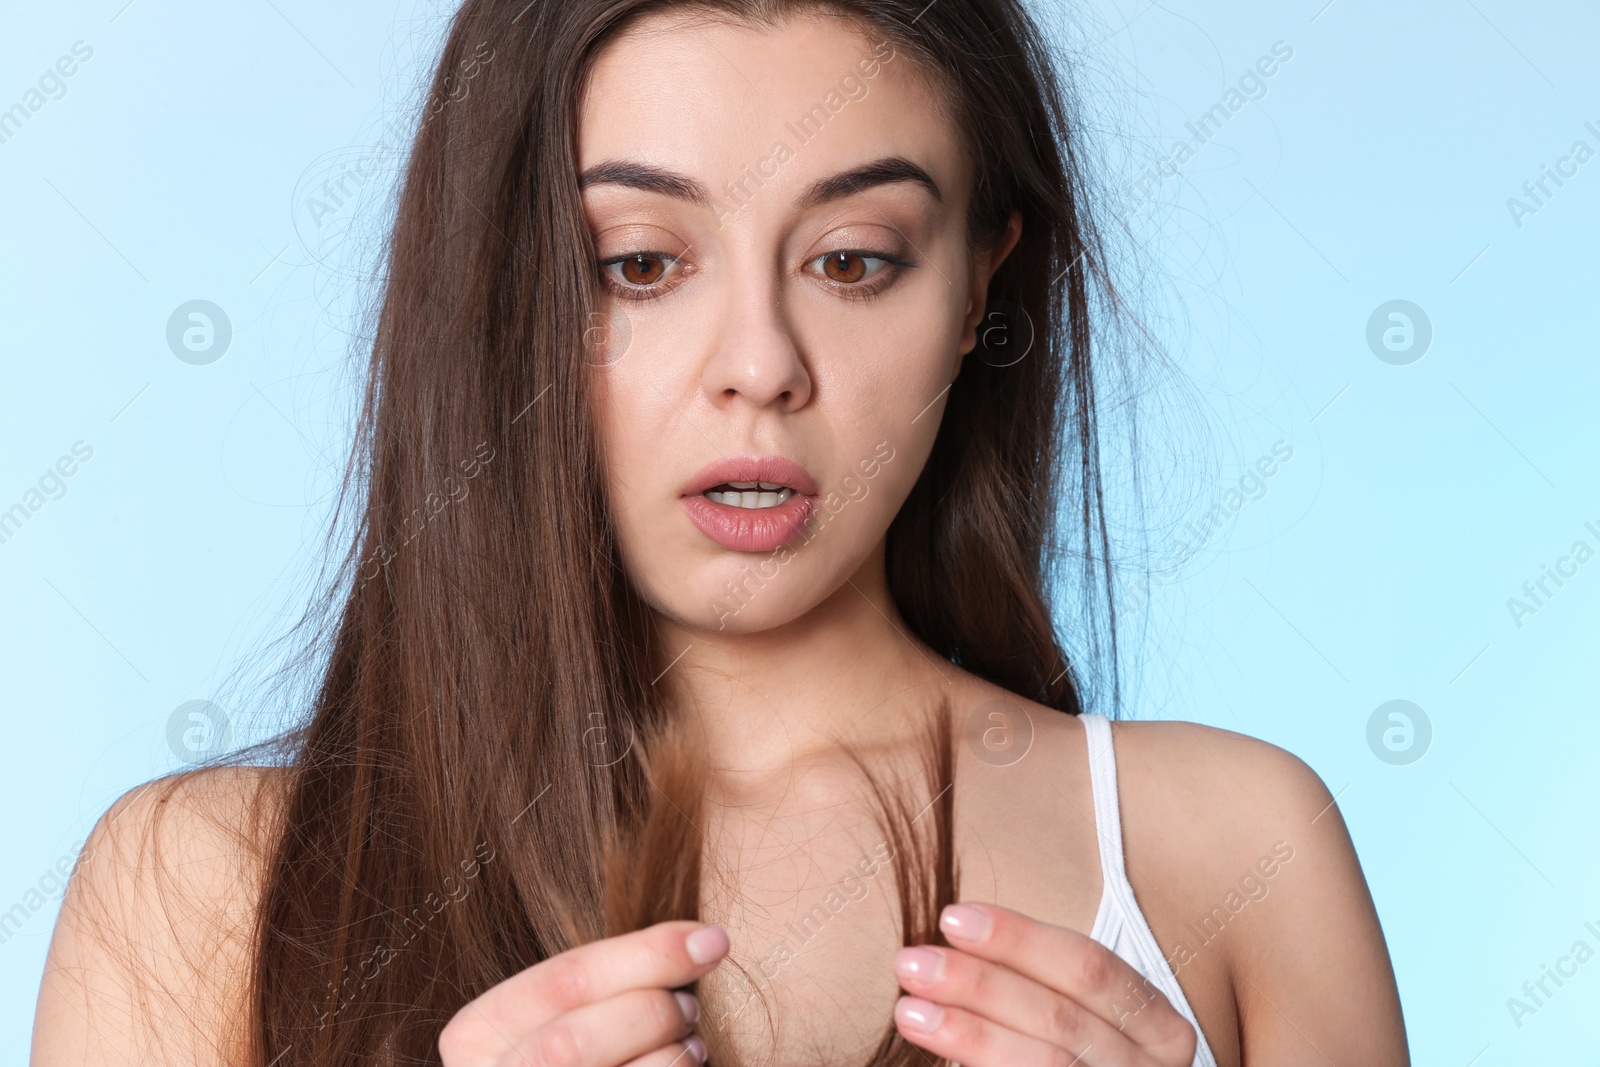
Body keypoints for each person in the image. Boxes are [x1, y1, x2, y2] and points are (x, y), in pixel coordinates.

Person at [30, 1, 1409, 1065]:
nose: (759, 363)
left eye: (854, 260)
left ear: (984, 280)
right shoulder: (201, 891)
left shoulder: (1231, 853)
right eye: (639, 264)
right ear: (498, 291)